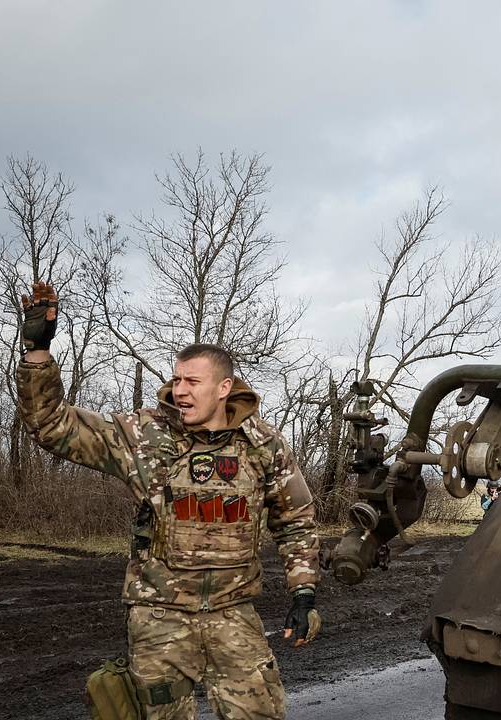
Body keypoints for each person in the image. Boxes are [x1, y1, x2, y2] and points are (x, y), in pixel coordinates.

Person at [16, 282, 320, 719]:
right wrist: (38, 353)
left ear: (223, 387)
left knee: (261, 714)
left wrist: (303, 591)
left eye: (193, 381)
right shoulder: (144, 434)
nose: (180, 390)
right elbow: (52, 427)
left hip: (233, 615)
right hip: (159, 617)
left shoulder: (262, 445)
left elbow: (296, 521)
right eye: (177, 379)